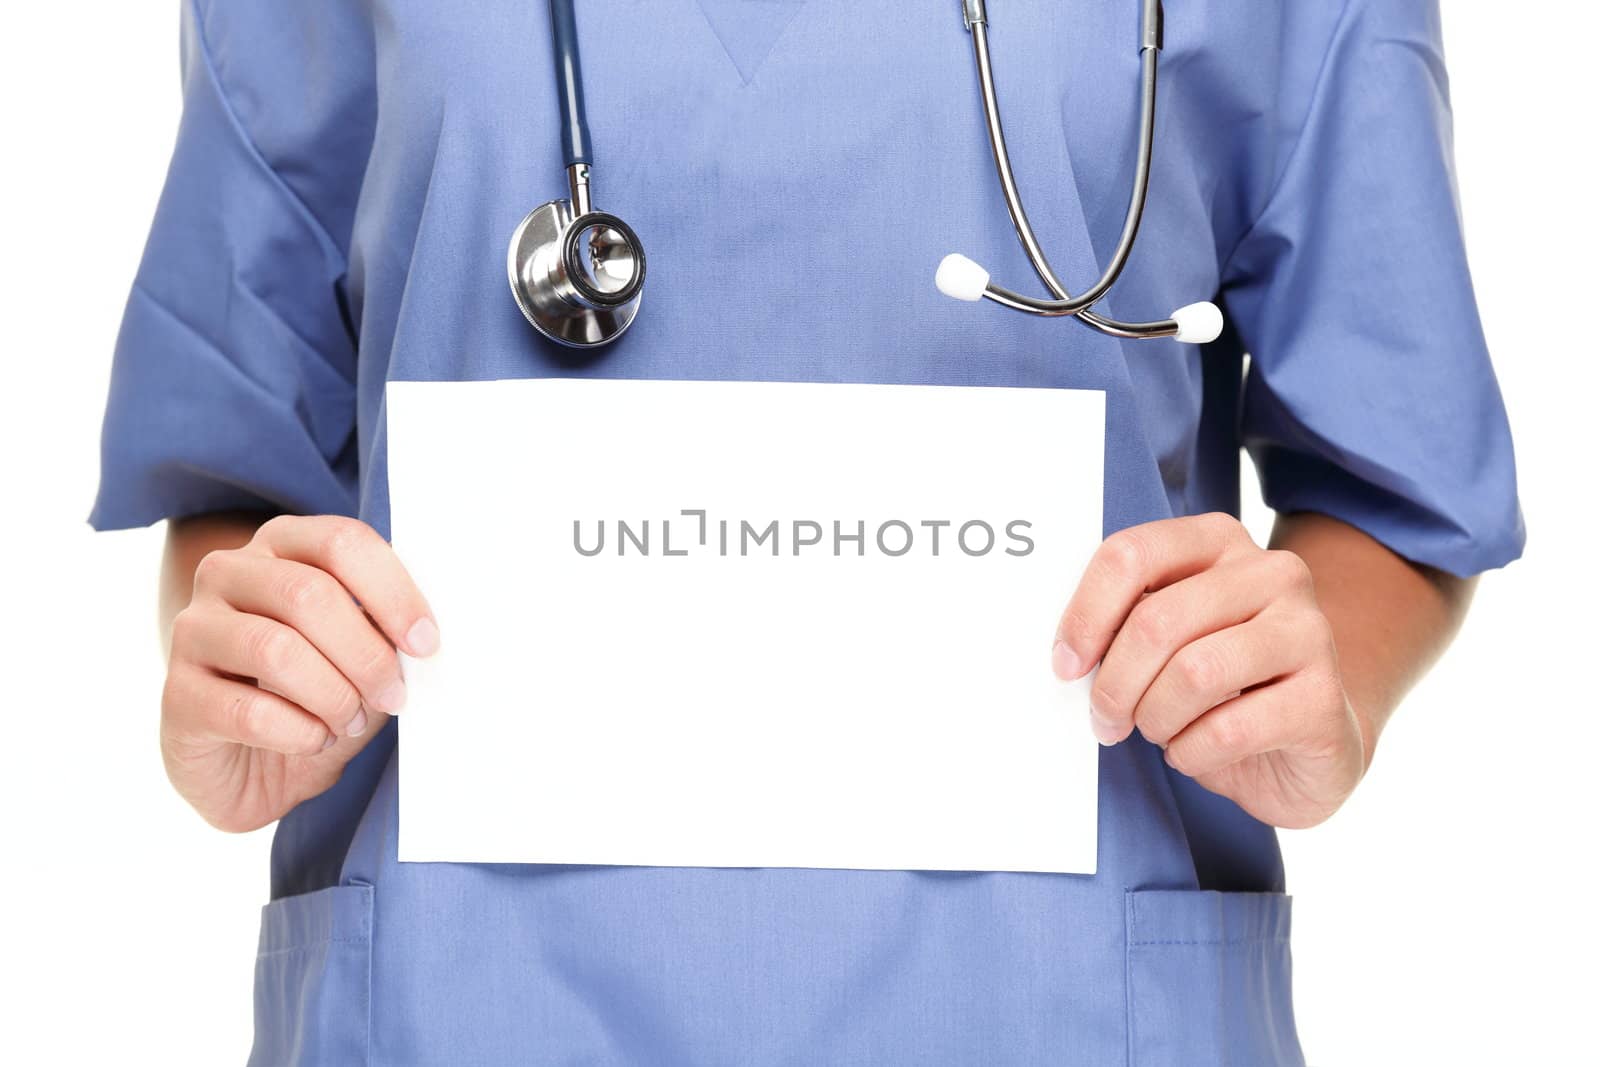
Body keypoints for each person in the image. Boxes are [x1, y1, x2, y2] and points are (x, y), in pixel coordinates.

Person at [92, 2, 1522, 1063]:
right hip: (469, 1001)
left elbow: (1393, 487)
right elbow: (234, 471)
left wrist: (1320, 669)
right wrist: (249, 652)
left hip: (1056, 1002)